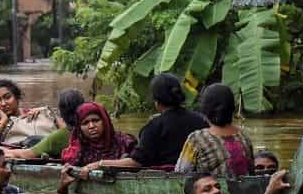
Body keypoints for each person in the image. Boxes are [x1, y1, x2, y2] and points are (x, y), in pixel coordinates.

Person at [77, 73, 207, 176]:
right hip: (198, 176)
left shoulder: (154, 126)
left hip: (163, 177)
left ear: (156, 101)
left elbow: (136, 163)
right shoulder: (200, 120)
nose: (92, 125)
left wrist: (99, 164)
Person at [175, 84, 254, 177]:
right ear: (232, 108)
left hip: (211, 189)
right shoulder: (244, 136)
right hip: (244, 189)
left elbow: (181, 172)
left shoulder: (197, 139)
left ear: (205, 110)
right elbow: (251, 171)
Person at [0, 79, 56, 150]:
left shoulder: (35, 113)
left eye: (7, 97)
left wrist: (48, 112)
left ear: (17, 97)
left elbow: (66, 133)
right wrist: (3, 120)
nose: (3, 103)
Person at [5, 88, 85, 160]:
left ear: (61, 113)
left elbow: (27, 154)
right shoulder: (89, 129)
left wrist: (4, 151)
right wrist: (50, 110)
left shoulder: (57, 137)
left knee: (33, 140)